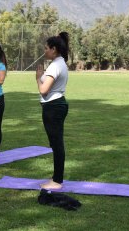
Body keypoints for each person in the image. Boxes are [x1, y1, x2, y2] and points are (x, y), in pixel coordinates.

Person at [35, 32, 70, 190]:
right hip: (56, 106)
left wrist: (38, 77)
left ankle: (57, 181)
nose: (45, 51)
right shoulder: (59, 63)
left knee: (57, 144)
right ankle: (57, 178)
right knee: (56, 143)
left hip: (53, 107)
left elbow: (43, 90)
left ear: (54, 49)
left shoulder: (55, 66)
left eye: (46, 48)